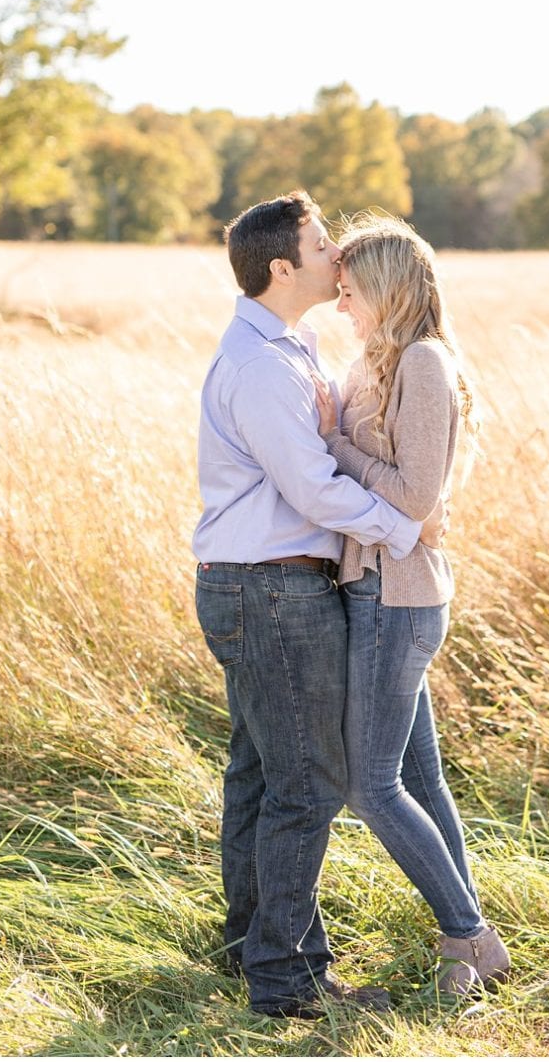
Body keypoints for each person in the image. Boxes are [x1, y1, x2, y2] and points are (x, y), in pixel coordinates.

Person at [193, 190, 422, 1018]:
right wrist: (400, 525)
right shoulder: (261, 366)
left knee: (260, 772)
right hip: (271, 588)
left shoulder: (293, 346)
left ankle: (249, 947)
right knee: (308, 781)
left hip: (263, 583)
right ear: (282, 266)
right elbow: (312, 485)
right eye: (323, 244)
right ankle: (287, 981)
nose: (338, 255)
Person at [310, 215, 509, 994]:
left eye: (352, 293)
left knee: (371, 784)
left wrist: (332, 448)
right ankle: (467, 940)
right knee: (420, 782)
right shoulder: (376, 363)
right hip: (372, 591)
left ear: (387, 291)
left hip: (400, 599)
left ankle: (470, 935)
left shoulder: (424, 363)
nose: (341, 307)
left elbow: (416, 497)